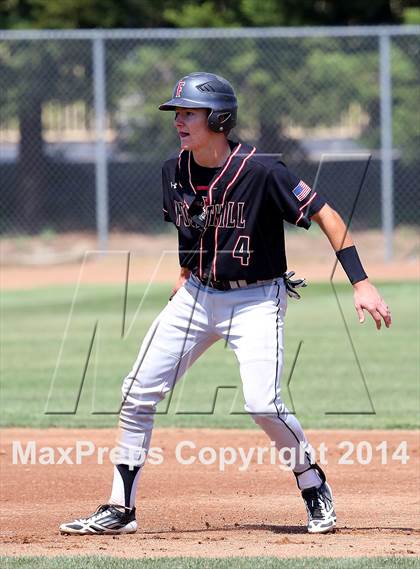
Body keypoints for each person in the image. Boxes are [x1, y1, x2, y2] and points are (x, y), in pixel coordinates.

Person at [59, 72, 391, 536]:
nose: (179, 121)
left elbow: (326, 215)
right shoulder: (173, 170)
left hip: (256, 299)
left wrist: (362, 283)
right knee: (135, 393)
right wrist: (181, 275)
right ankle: (120, 508)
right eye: (177, 113)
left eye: (189, 113)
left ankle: (312, 483)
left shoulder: (261, 171)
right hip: (197, 294)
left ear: (218, 118)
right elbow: (189, 228)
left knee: (262, 404)